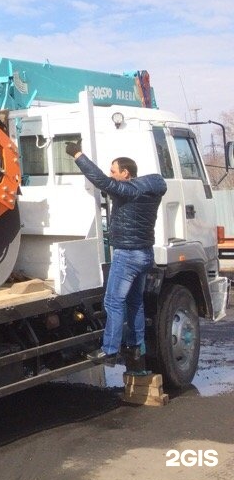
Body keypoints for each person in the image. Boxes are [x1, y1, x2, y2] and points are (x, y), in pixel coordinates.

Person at [65, 141, 167, 365]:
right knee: (135, 302)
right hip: (145, 254)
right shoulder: (150, 190)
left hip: (127, 256)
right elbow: (107, 182)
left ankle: (110, 349)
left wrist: (78, 155)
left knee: (113, 302)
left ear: (125, 173)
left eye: (114, 171)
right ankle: (135, 345)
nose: (111, 175)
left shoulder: (129, 191)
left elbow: (101, 180)